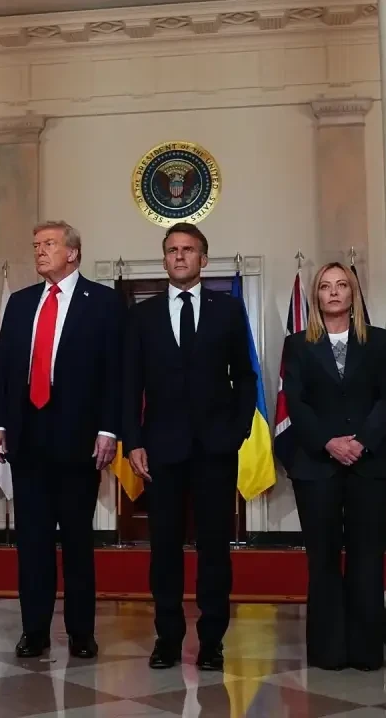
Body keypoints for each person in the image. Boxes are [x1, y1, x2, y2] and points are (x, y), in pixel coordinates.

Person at [120, 222, 255, 671]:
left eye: (188, 249)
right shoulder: (142, 315)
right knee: (164, 549)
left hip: (216, 449)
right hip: (161, 450)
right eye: (172, 250)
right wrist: (133, 442)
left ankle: (212, 640)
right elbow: (129, 384)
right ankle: (168, 638)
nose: (180, 256)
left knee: (214, 548)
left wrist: (237, 432)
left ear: (203, 259)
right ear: (164, 259)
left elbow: (246, 377)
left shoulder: (228, 310)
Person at [0, 220, 124, 659]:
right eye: (36, 245)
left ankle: (81, 632)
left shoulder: (103, 302)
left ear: (73, 253)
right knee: (33, 542)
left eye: (49, 244)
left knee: (78, 542)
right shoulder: (21, 302)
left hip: (79, 440)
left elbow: (116, 372)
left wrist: (108, 429)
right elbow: (4, 367)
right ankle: (35, 630)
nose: (40, 251)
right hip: (27, 438)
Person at [282, 262, 386, 671]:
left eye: (342, 285)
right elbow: (296, 402)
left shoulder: (380, 341)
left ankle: (366, 652)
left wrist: (362, 442)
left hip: (371, 462)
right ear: (316, 296)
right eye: (325, 286)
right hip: (317, 464)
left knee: (368, 557)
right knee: (324, 559)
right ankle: (328, 652)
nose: (333, 292)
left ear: (353, 294)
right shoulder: (298, 344)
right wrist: (329, 443)